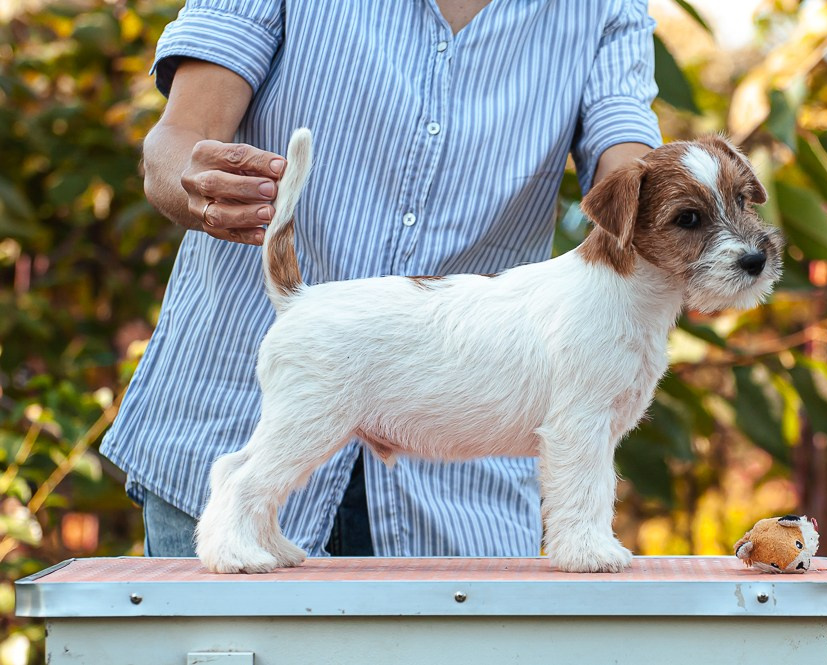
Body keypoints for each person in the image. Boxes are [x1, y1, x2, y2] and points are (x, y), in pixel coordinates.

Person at [101, 0, 662, 558]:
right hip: (224, 401)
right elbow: (181, 137)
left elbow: (632, 168)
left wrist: (672, 227)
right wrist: (196, 178)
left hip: (462, 491)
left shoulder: (606, 9)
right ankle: (238, 521)